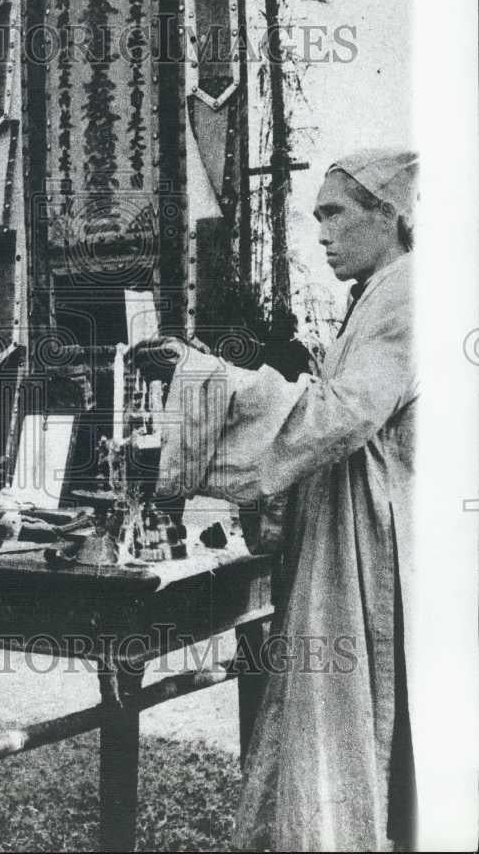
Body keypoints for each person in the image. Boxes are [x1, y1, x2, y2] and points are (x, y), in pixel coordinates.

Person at [136, 148, 419, 852]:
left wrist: (203, 378)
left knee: (358, 709)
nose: (320, 232)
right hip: (363, 520)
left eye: (334, 213)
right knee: (361, 708)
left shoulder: (409, 291)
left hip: (371, 535)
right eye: (315, 215)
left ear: (389, 216)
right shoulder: (385, 289)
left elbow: (338, 415)